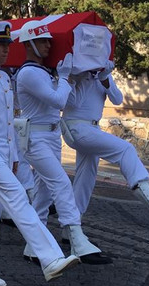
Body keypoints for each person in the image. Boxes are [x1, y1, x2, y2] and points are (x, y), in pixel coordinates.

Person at [0, 21, 79, 286]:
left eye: (7, 45)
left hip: (2, 154)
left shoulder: (3, 78)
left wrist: (13, 156)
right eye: (1, 45)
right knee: (17, 196)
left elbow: (11, 122)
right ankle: (50, 258)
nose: (6, 50)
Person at [14, 20, 111, 265]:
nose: (48, 45)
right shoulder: (27, 73)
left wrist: (72, 78)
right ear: (29, 44)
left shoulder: (45, 72)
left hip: (51, 135)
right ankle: (76, 238)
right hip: (35, 137)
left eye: (49, 41)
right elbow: (58, 101)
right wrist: (66, 78)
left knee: (44, 193)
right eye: (42, 41)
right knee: (60, 183)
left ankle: (33, 246)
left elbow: (67, 101)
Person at [62, 62, 149, 223]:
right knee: (125, 149)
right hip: (76, 127)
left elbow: (117, 99)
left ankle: (72, 226)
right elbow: (71, 103)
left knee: (86, 177)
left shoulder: (102, 75)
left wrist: (105, 80)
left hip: (92, 128)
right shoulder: (76, 73)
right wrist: (75, 77)